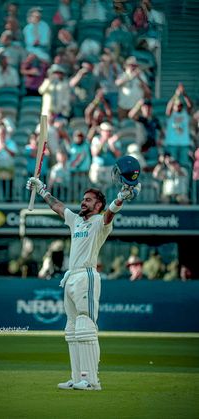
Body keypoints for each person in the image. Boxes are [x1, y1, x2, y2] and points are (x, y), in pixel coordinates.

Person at [26, 155, 141, 391]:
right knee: (71, 331)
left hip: (87, 276)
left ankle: (91, 381)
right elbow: (58, 207)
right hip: (70, 277)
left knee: (86, 328)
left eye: (88, 200)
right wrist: (42, 191)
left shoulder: (100, 222)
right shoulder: (76, 221)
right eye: (83, 199)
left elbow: (110, 213)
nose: (83, 202)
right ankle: (77, 377)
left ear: (98, 205)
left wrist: (120, 198)